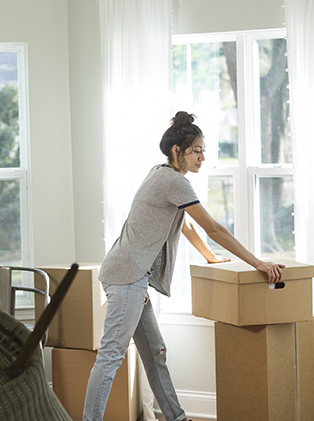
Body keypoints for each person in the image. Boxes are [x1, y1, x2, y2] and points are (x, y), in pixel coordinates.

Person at [82, 111, 285, 421]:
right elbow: (214, 228)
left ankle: (176, 417)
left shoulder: (163, 175)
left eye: (203, 150)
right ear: (177, 151)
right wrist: (257, 262)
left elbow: (185, 225)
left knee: (155, 352)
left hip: (133, 276)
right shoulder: (172, 180)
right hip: (126, 276)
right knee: (111, 356)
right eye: (195, 151)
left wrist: (210, 257)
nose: (202, 157)